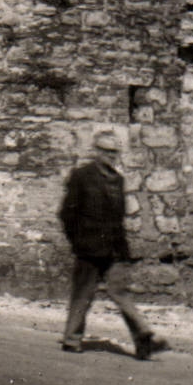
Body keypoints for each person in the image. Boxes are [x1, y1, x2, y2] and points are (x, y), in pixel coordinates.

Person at [59, 130, 168, 359]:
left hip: (115, 247)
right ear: (97, 151)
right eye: (107, 151)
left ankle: (144, 337)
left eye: (115, 152)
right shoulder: (81, 176)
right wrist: (78, 241)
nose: (112, 156)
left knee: (120, 291)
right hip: (88, 246)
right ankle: (72, 339)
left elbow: (118, 216)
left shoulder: (118, 180)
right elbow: (67, 213)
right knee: (83, 294)